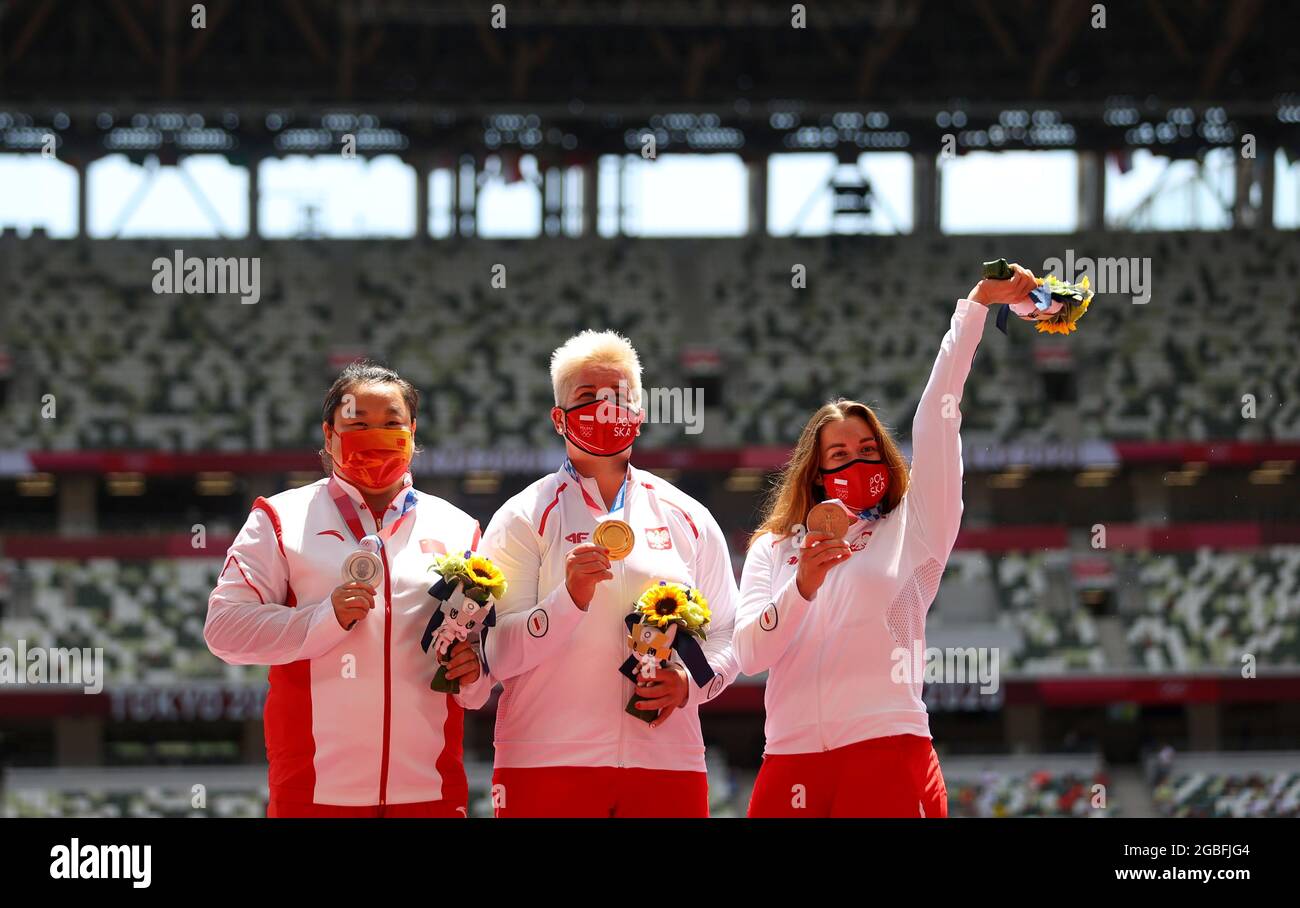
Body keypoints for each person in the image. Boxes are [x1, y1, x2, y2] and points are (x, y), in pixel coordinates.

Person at [734, 264, 1040, 817]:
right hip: (788, 757)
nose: (859, 462)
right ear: (817, 473)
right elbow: (752, 654)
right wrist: (801, 585)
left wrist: (973, 309)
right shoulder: (774, 548)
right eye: (840, 456)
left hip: (887, 749)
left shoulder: (917, 523)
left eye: (869, 450)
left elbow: (937, 420)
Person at [205, 360, 490, 817]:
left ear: (413, 432)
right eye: (357, 424)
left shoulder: (459, 528)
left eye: (391, 424)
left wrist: (474, 672)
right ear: (328, 434)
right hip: (314, 794)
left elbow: (479, 679)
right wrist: (324, 619)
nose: (376, 437)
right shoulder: (280, 520)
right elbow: (223, 629)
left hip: (432, 793)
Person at [479, 330, 740, 817]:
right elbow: (495, 654)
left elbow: (728, 633)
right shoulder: (522, 517)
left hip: (668, 763)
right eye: (586, 398)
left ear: (639, 416)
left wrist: (691, 684)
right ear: (558, 418)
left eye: (617, 398)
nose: (603, 408)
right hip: (546, 762)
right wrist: (567, 600)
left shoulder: (687, 516)